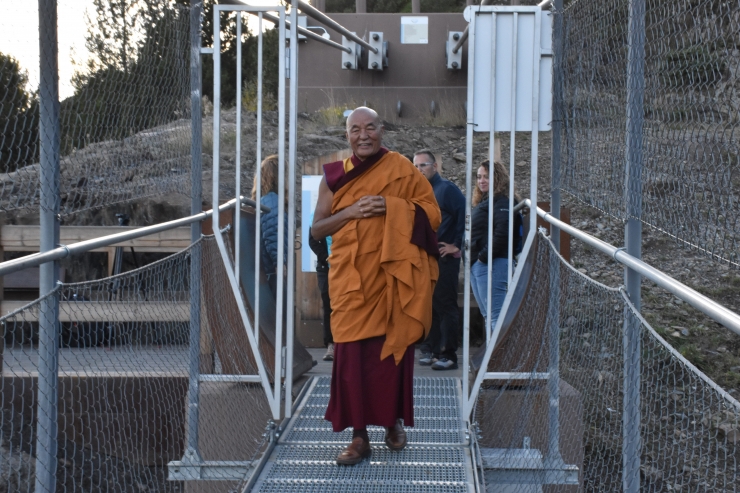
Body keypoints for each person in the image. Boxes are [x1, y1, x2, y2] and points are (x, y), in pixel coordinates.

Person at [311, 107, 441, 466]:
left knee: (390, 356)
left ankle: (393, 422)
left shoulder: (401, 168)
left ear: (382, 130)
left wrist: (390, 205)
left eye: (371, 127)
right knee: (351, 363)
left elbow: (431, 213)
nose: (363, 135)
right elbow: (317, 230)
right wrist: (351, 212)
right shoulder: (334, 177)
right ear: (346, 135)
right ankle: (358, 436)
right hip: (351, 282)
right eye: (356, 129)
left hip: (391, 279)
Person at [412, 149, 465, 371]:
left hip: (445, 259)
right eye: (415, 166)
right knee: (429, 305)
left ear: (435, 166)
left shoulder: (447, 190)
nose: (419, 170)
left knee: (446, 305)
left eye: (423, 165)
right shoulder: (420, 192)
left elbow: (464, 216)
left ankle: (449, 354)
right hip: (426, 259)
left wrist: (457, 246)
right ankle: (433, 351)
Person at [470, 160, 522, 332]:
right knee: (489, 315)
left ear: (498, 178)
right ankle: (492, 357)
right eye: (479, 177)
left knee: (496, 316)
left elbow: (503, 233)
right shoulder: (486, 201)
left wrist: (482, 258)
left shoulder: (502, 201)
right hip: (480, 265)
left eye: (487, 177)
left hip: (492, 263)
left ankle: (499, 357)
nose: (481, 180)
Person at [251, 154, 288, 295]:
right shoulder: (272, 200)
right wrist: (279, 262)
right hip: (271, 271)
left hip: (267, 269)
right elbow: (273, 232)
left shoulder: (264, 200)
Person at [308, 228, 334, 361]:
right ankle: (331, 346)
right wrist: (327, 258)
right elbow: (312, 241)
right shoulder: (317, 216)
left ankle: (346, 345)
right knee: (328, 306)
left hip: (346, 265)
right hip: (325, 267)